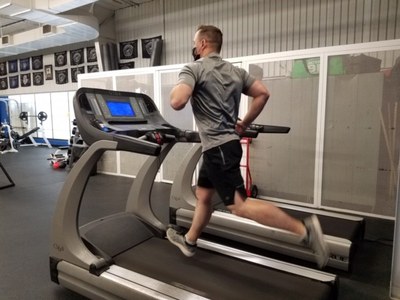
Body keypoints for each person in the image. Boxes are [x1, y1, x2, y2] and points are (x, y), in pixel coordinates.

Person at [166, 25, 330, 269]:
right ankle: (190, 240)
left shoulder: (193, 68)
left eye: (194, 43)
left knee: (239, 205)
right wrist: (243, 123)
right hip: (222, 146)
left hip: (218, 149)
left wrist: (178, 87)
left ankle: (304, 230)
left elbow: (177, 101)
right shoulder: (235, 71)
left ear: (201, 45)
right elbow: (263, 93)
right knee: (203, 196)